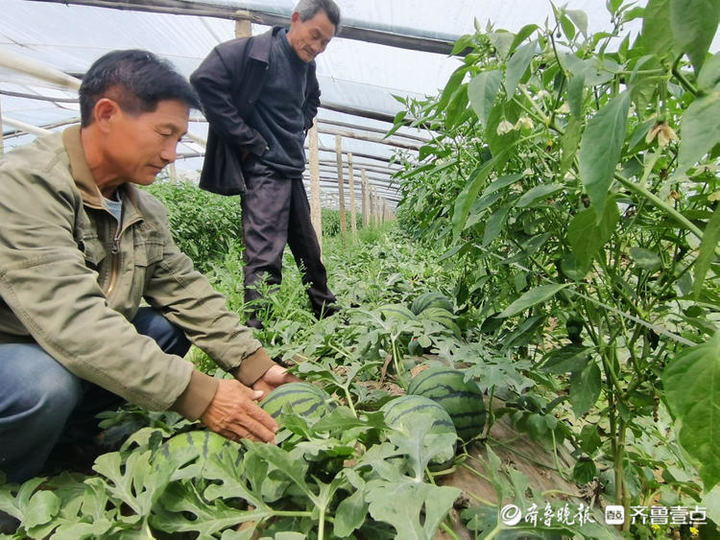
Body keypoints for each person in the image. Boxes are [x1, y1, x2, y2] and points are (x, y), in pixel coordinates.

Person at [0, 49, 296, 485]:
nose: (172, 154)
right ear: (106, 114)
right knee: (42, 385)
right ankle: (10, 486)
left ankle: (71, 442)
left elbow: (184, 289)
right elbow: (75, 321)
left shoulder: (139, 205)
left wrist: (253, 364)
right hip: (16, 350)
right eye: (164, 133)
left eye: (179, 139)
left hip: (56, 343)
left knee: (164, 327)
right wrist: (201, 395)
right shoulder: (26, 185)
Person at [191, 0, 341, 329]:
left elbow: (312, 98)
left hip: (290, 167)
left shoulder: (307, 66)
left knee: (308, 249)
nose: (316, 47)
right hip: (263, 170)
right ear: (296, 20)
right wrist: (249, 140)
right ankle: (261, 334)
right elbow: (204, 81)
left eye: (325, 42)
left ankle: (326, 312)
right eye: (314, 36)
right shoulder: (257, 53)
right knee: (264, 254)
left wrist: (301, 120)